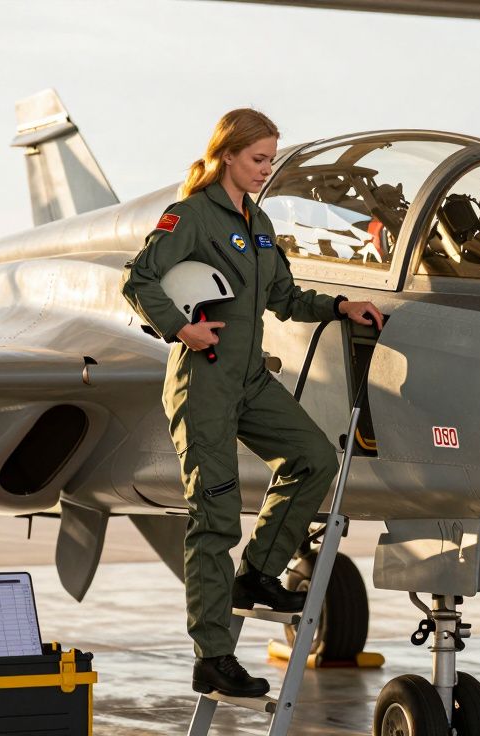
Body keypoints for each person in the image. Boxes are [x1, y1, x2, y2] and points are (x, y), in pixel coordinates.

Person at [120, 108, 384, 698]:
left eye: (270, 159)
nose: (266, 169)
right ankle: (212, 656)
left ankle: (259, 573)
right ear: (228, 155)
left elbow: (284, 298)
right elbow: (137, 280)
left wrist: (340, 306)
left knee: (314, 458)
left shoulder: (258, 223)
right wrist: (180, 328)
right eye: (258, 159)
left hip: (249, 380)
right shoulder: (190, 216)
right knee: (214, 521)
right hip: (204, 383)